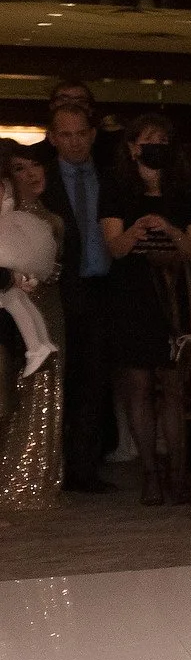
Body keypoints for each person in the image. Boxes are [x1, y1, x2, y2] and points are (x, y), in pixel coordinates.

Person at [101, 115, 191, 505]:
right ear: (132, 147)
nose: (155, 146)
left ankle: (178, 472)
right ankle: (149, 472)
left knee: (173, 387)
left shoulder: (185, 189)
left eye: (162, 140)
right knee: (140, 387)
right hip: (131, 293)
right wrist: (139, 229)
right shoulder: (116, 188)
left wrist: (170, 228)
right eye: (148, 141)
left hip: (175, 294)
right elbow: (115, 247)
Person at [39, 102, 115, 491]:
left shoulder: (111, 176)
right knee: (58, 378)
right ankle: (51, 465)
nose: (73, 142)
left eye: (80, 133)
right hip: (57, 289)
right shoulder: (43, 180)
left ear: (92, 134)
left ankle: (84, 469)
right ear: (52, 138)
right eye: (65, 134)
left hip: (102, 287)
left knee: (95, 378)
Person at [0, 150, 64, 510]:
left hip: (47, 306)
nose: (29, 174)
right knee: (9, 393)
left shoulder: (52, 220)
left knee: (44, 389)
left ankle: (36, 478)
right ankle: (10, 479)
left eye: (35, 165)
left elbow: (59, 270)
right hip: (8, 307)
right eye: (18, 168)